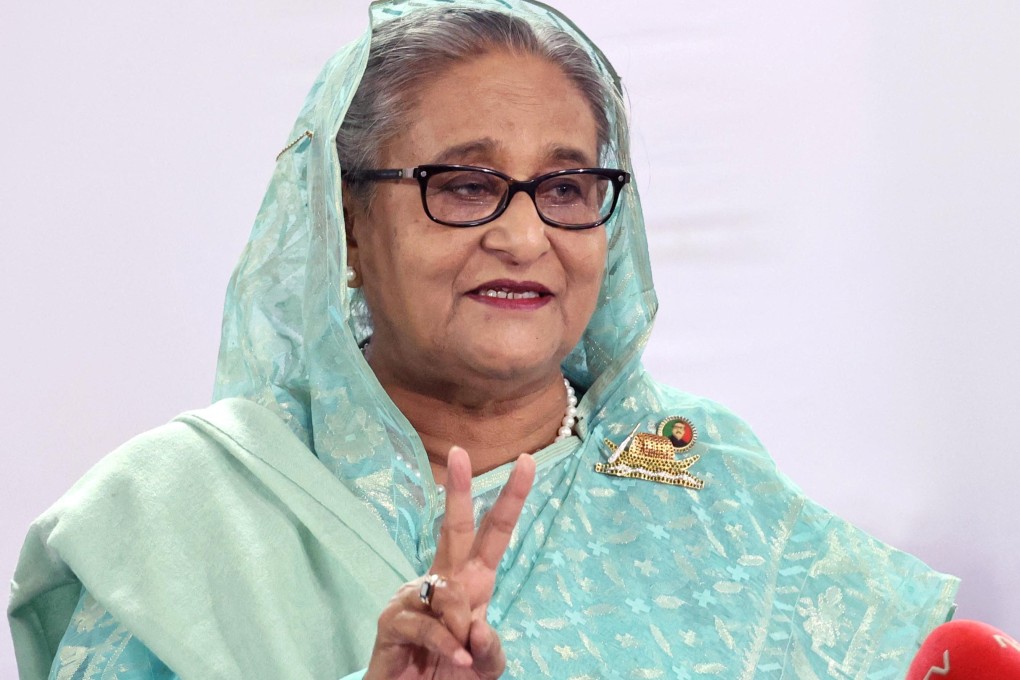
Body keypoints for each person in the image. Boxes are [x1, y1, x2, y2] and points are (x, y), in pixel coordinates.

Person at [8, 1, 959, 678]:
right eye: (462, 186)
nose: (523, 234)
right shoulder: (185, 517)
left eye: (566, 187)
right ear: (345, 228)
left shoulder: (704, 485)